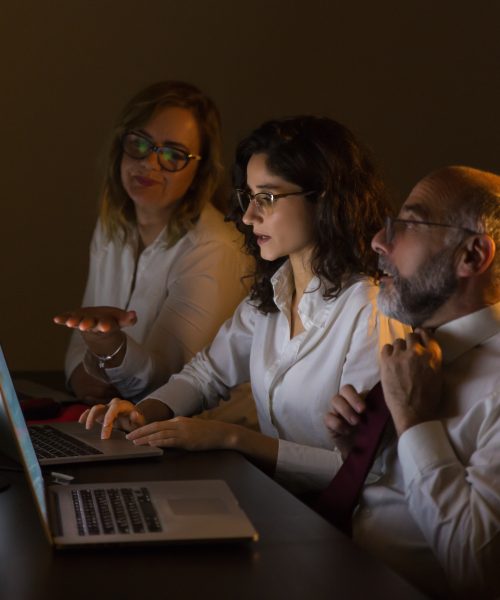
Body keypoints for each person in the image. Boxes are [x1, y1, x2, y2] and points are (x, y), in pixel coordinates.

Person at [79, 115, 408, 493]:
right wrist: (142, 414)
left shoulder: (370, 308)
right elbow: (206, 375)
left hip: (349, 526)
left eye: (267, 198)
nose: (249, 217)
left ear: (325, 198)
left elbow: (370, 470)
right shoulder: (273, 291)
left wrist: (232, 438)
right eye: (249, 198)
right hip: (281, 501)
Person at [325, 166, 500, 598]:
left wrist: (415, 423)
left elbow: (478, 572)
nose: (379, 242)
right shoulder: (417, 353)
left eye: (409, 224)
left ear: (473, 256)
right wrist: (361, 448)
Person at [53, 81, 253, 408]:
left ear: (199, 171)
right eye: (140, 144)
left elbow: (166, 384)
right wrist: (80, 372)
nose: (150, 164)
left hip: (191, 438)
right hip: (116, 419)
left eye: (173, 154)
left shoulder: (214, 247)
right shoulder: (114, 224)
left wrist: (110, 350)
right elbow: (80, 332)